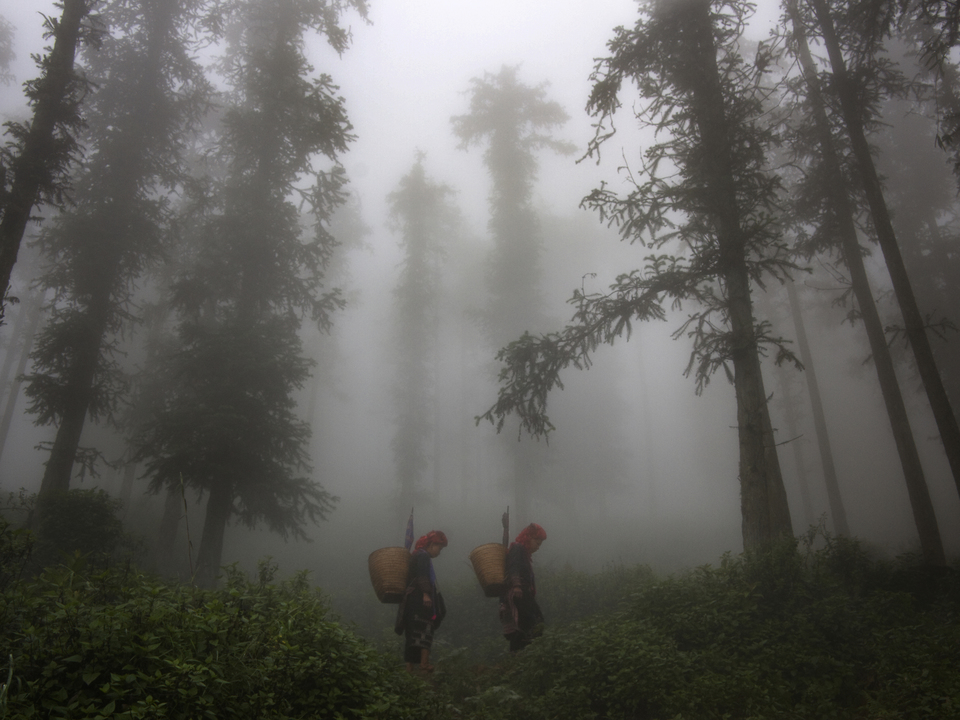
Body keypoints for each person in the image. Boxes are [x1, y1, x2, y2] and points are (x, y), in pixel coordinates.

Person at [395, 530, 448, 672]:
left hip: (411, 601)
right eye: (439, 548)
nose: (439, 552)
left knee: (412, 633)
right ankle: (424, 663)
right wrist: (426, 593)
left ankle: (409, 668)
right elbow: (422, 575)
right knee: (425, 627)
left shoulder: (417, 555)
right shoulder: (423, 556)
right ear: (431, 544)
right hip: (419, 599)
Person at [499, 522, 546, 652]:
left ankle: (523, 653)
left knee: (531, 623)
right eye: (537, 543)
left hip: (524, 593)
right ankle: (519, 655)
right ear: (528, 537)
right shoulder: (518, 548)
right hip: (518, 593)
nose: (538, 547)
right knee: (526, 625)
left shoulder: (523, 552)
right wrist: (516, 586)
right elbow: (513, 567)